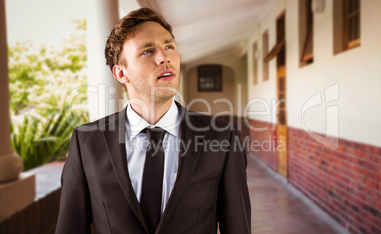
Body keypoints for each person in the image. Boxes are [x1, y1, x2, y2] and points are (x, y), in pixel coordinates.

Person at [55, 7, 251, 234]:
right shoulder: (86, 141)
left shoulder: (222, 137)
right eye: (148, 51)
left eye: (169, 47)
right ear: (121, 73)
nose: (164, 57)